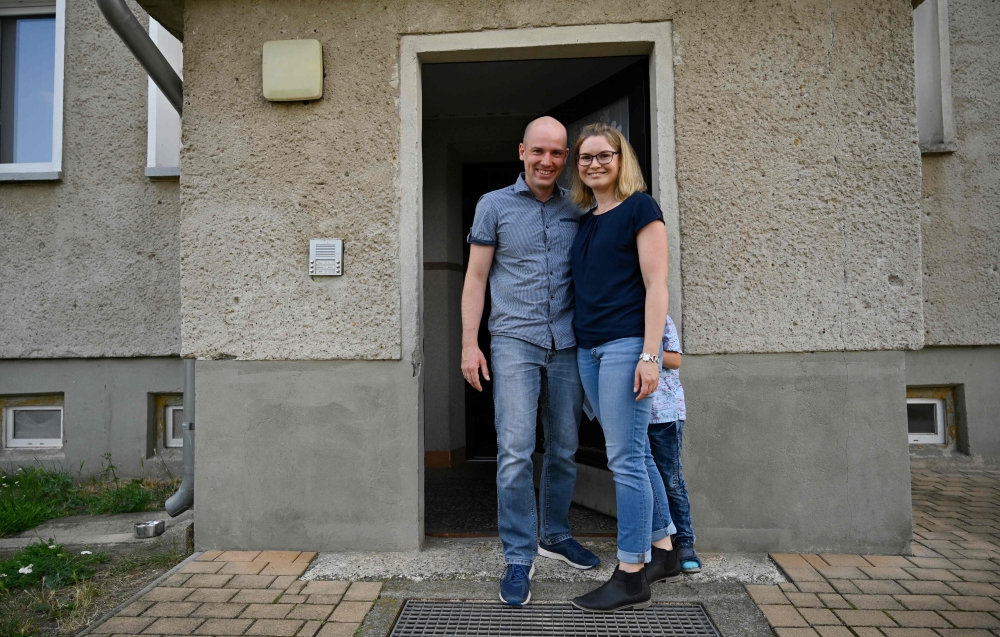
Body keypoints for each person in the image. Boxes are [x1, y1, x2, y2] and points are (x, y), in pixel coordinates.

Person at [461, 115, 601, 608]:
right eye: (539, 151)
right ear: (522, 151)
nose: (548, 161)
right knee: (516, 450)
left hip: (567, 342)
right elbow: (476, 278)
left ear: (567, 159)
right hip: (514, 341)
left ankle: (555, 534)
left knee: (564, 447)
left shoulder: (580, 208)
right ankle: (519, 555)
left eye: (558, 153)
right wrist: (468, 345)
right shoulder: (493, 205)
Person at [568, 122, 674, 612]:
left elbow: (657, 286)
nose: (594, 164)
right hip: (589, 349)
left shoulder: (640, 207)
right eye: (585, 158)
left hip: (626, 346)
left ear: (620, 157)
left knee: (625, 460)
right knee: (637, 453)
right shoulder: (586, 219)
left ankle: (631, 573)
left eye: (603, 155)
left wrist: (650, 355)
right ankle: (665, 548)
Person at [648, 315, 702, 574]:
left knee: (671, 480)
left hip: (664, 413)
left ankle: (684, 542)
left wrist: (642, 350)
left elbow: (675, 359)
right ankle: (655, 544)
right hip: (631, 413)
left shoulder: (662, 318)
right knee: (642, 480)